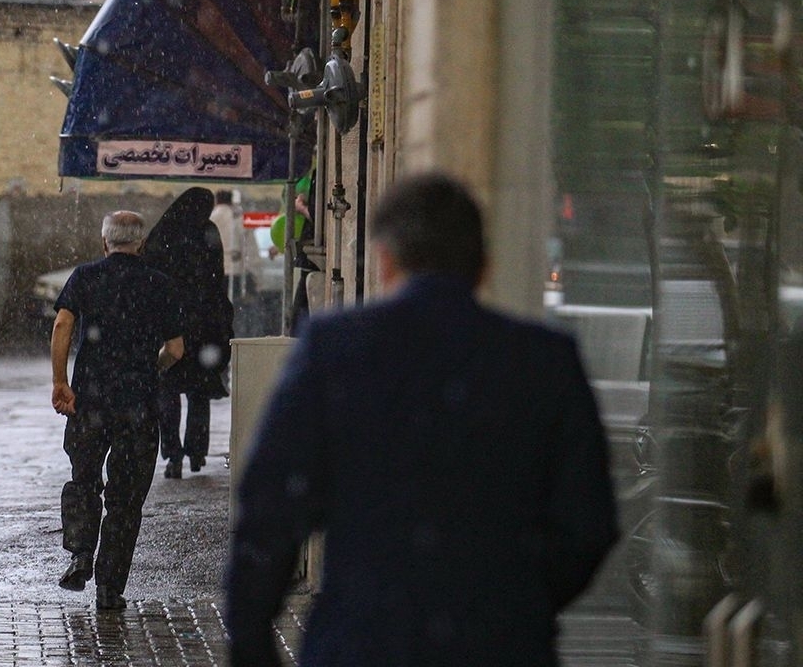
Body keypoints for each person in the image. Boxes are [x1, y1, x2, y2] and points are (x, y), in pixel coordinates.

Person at [224, 172, 619, 666]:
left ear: (385, 261)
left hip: (364, 643)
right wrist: (514, 598)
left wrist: (252, 637)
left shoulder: (337, 349)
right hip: (501, 647)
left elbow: (269, 509)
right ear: (483, 268)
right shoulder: (545, 361)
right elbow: (588, 525)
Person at [50, 210, 185, 611]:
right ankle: (110, 588)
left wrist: (61, 382)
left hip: (90, 398)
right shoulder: (159, 284)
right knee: (126, 499)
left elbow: (62, 326)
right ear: (141, 244)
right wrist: (150, 369)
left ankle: (80, 552)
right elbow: (175, 350)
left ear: (105, 242)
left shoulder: (85, 276)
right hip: (138, 404)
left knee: (84, 479)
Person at [144, 187, 235, 479]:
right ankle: (196, 453)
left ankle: (173, 455)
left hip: (170, 323)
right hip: (203, 325)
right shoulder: (207, 232)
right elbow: (217, 278)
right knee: (199, 392)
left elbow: (150, 273)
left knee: (168, 390)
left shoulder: (163, 231)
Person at [210, 189, 244, 299]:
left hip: (215, 269)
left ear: (216, 200)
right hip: (234, 270)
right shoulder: (237, 218)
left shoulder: (211, 217)